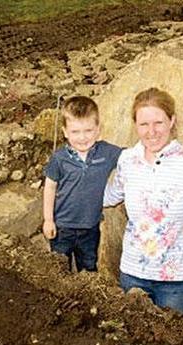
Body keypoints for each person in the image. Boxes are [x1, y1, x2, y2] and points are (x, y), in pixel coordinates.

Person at [104, 87, 183, 313]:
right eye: (143, 124)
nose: (151, 132)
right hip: (133, 272)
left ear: (171, 121)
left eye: (158, 123)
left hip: (177, 279)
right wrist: (70, 191)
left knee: (172, 343)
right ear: (135, 125)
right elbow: (112, 195)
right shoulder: (127, 159)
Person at [42, 95, 121, 272]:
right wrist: (48, 220)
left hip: (90, 228)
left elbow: (131, 156)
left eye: (88, 130)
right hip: (62, 227)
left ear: (98, 129)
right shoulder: (59, 158)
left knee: (89, 269)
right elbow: (50, 187)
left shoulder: (107, 153)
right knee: (59, 269)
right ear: (64, 132)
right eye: (75, 132)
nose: (82, 137)